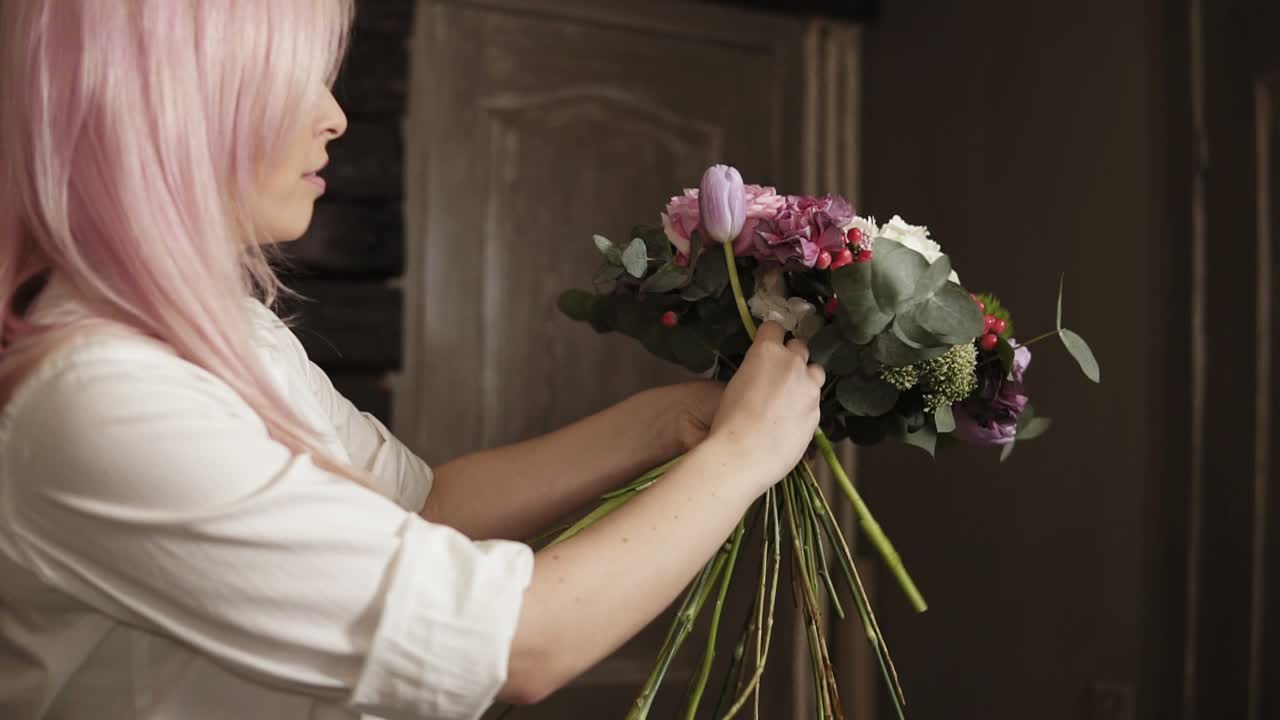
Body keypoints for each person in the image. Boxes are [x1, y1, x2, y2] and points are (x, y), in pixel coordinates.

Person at [0, 2, 825, 719]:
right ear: (172, 109)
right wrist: (742, 456)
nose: (334, 117)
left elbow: (420, 507)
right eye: (292, 82)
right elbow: (519, 643)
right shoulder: (107, 396)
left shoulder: (226, 333)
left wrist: (664, 421)